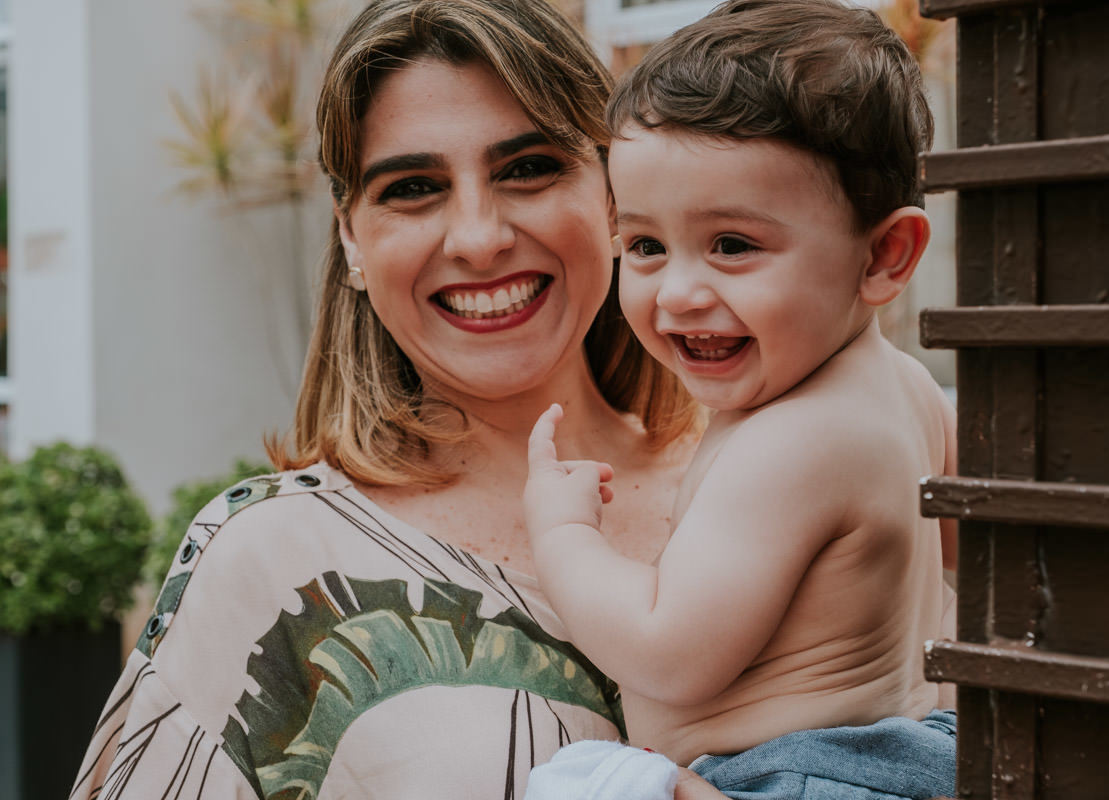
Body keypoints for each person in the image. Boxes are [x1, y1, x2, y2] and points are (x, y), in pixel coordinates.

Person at [69, 1, 707, 797]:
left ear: (610, 194)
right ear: (351, 239)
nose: (478, 237)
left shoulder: (771, 480)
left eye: (528, 167)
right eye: (413, 187)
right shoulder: (271, 564)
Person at [522, 1, 958, 798]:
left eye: (733, 245)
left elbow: (667, 652)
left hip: (791, 777)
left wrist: (562, 534)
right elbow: (962, 562)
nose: (680, 292)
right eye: (647, 246)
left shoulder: (797, 440)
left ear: (884, 256)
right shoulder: (911, 392)